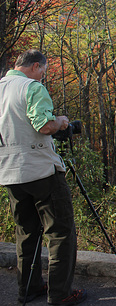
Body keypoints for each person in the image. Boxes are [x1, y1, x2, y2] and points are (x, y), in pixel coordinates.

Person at [0, 49, 87, 305]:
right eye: (43, 72)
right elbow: (43, 125)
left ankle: (29, 289)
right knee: (60, 231)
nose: (43, 77)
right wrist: (60, 122)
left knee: (26, 233)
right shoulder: (32, 88)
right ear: (36, 66)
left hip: (9, 172)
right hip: (40, 169)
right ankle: (60, 294)